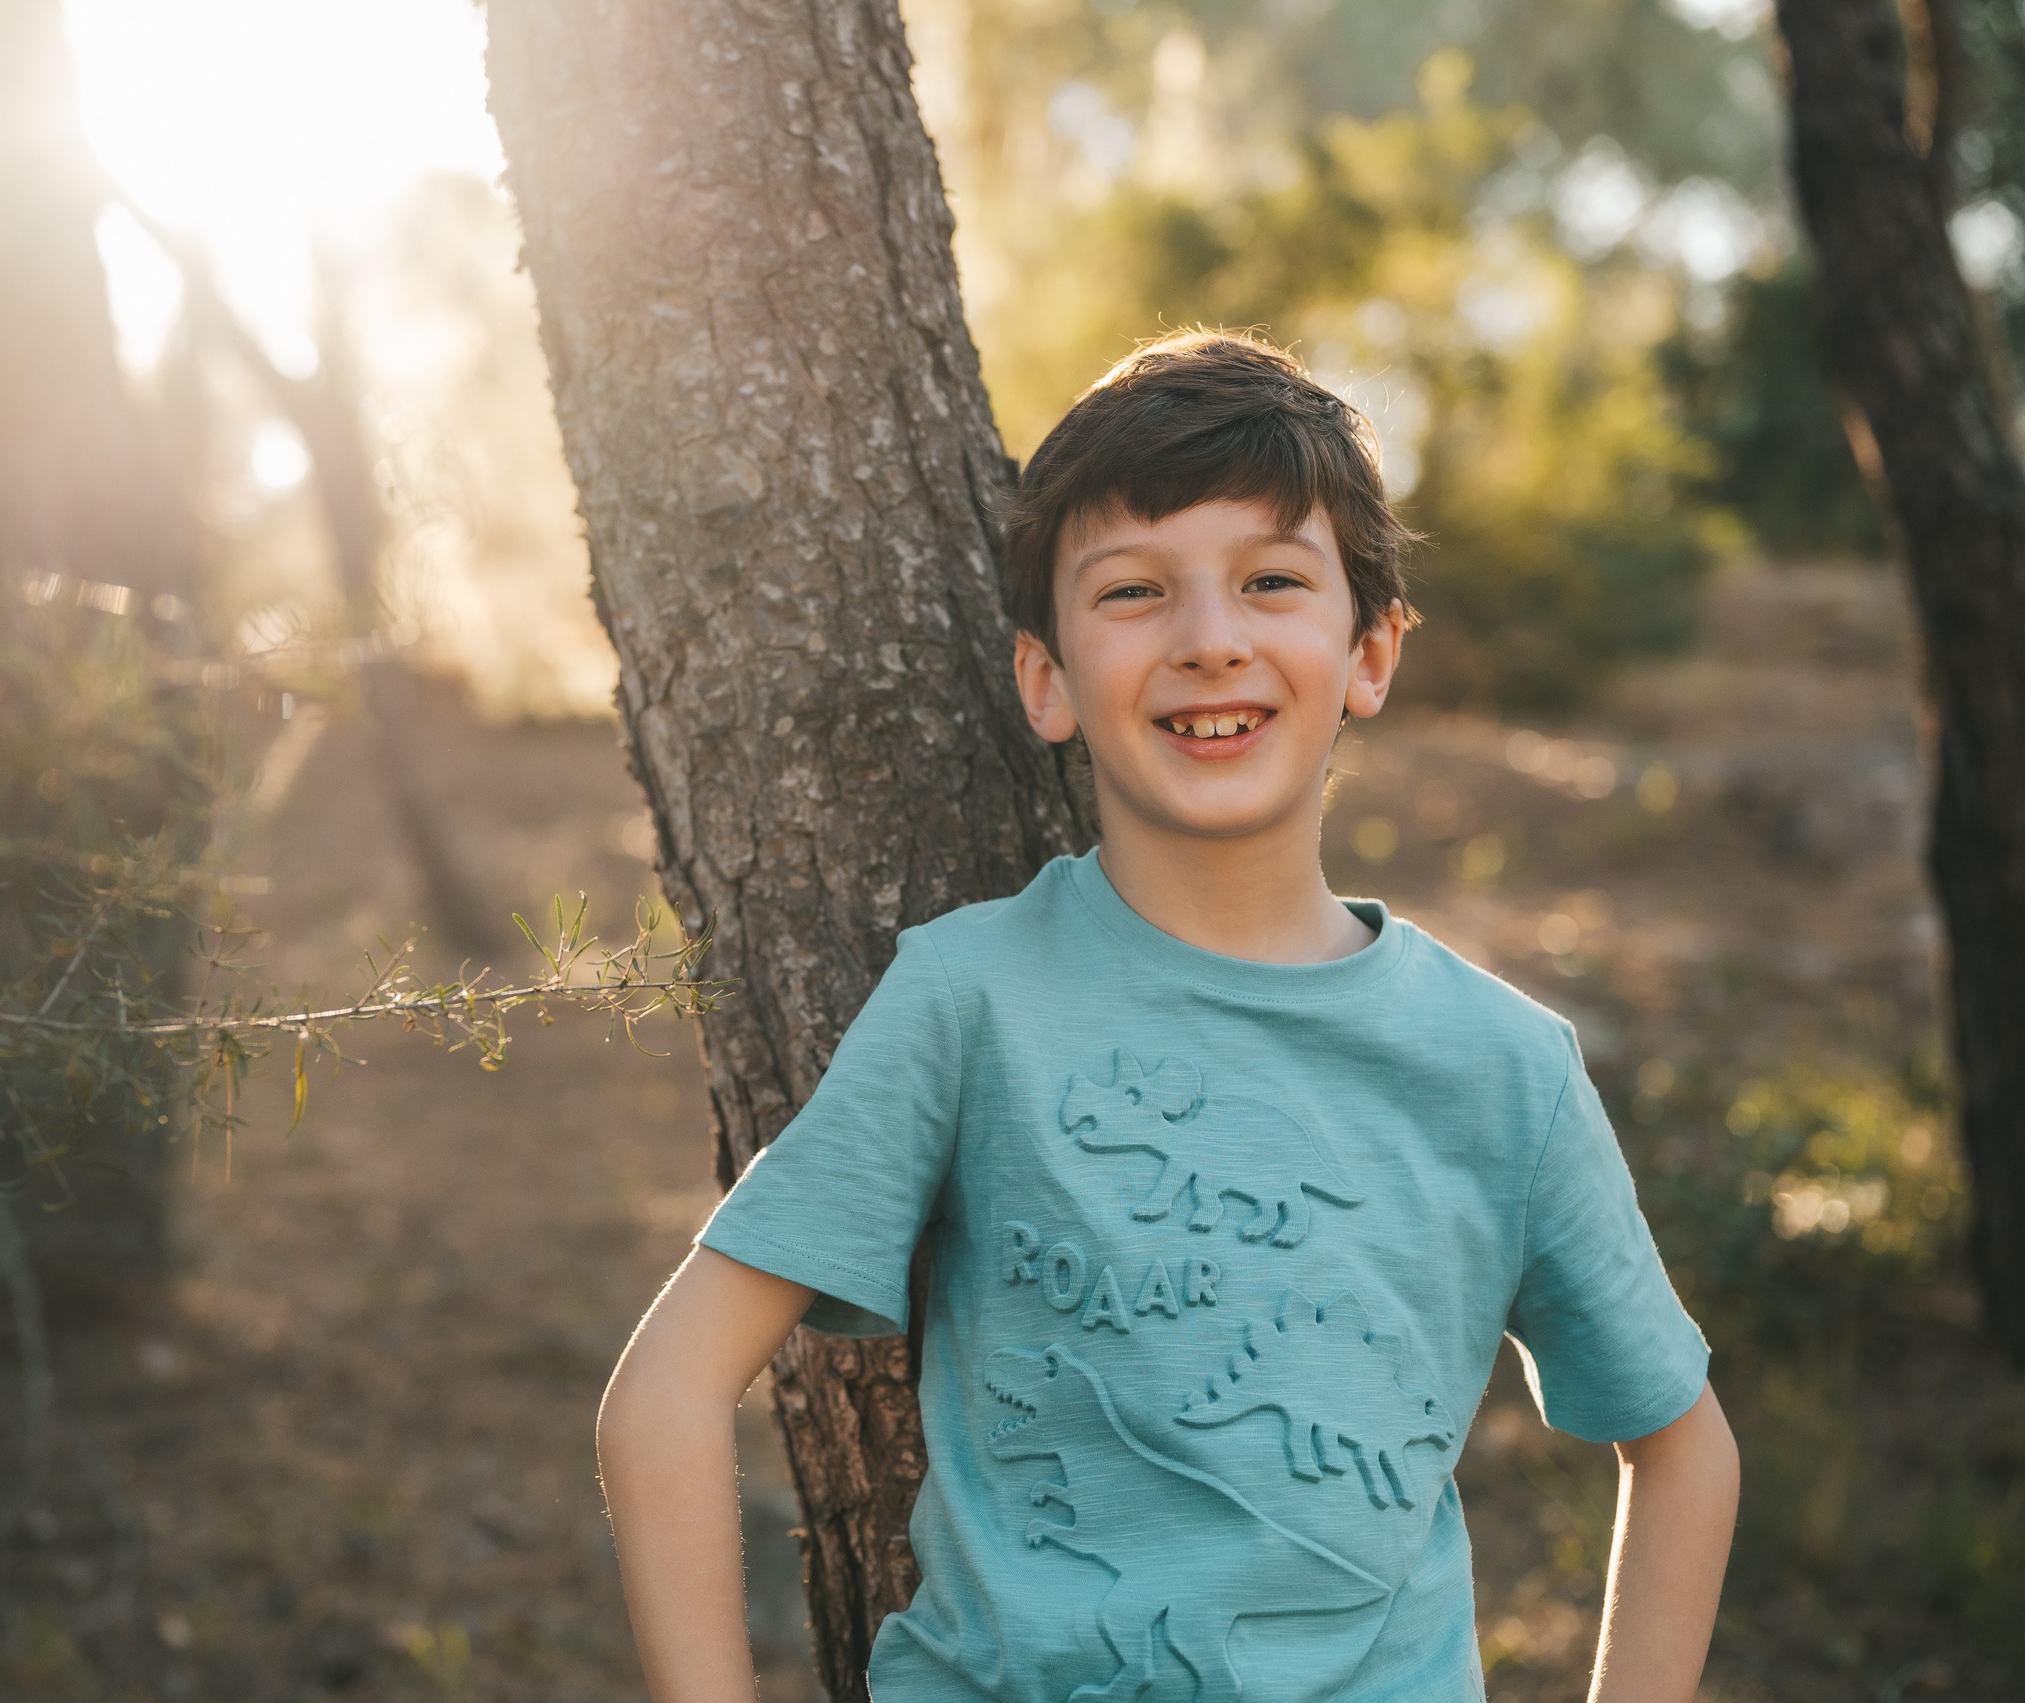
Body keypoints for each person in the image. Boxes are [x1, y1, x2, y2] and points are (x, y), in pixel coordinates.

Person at [595, 330, 1740, 1703]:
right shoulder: (973, 1000)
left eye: (1272, 581)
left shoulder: (1503, 1067)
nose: (1209, 640)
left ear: (1370, 650)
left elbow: (1684, 1445)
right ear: (1047, 679)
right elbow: (664, 1395)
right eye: (1134, 592)